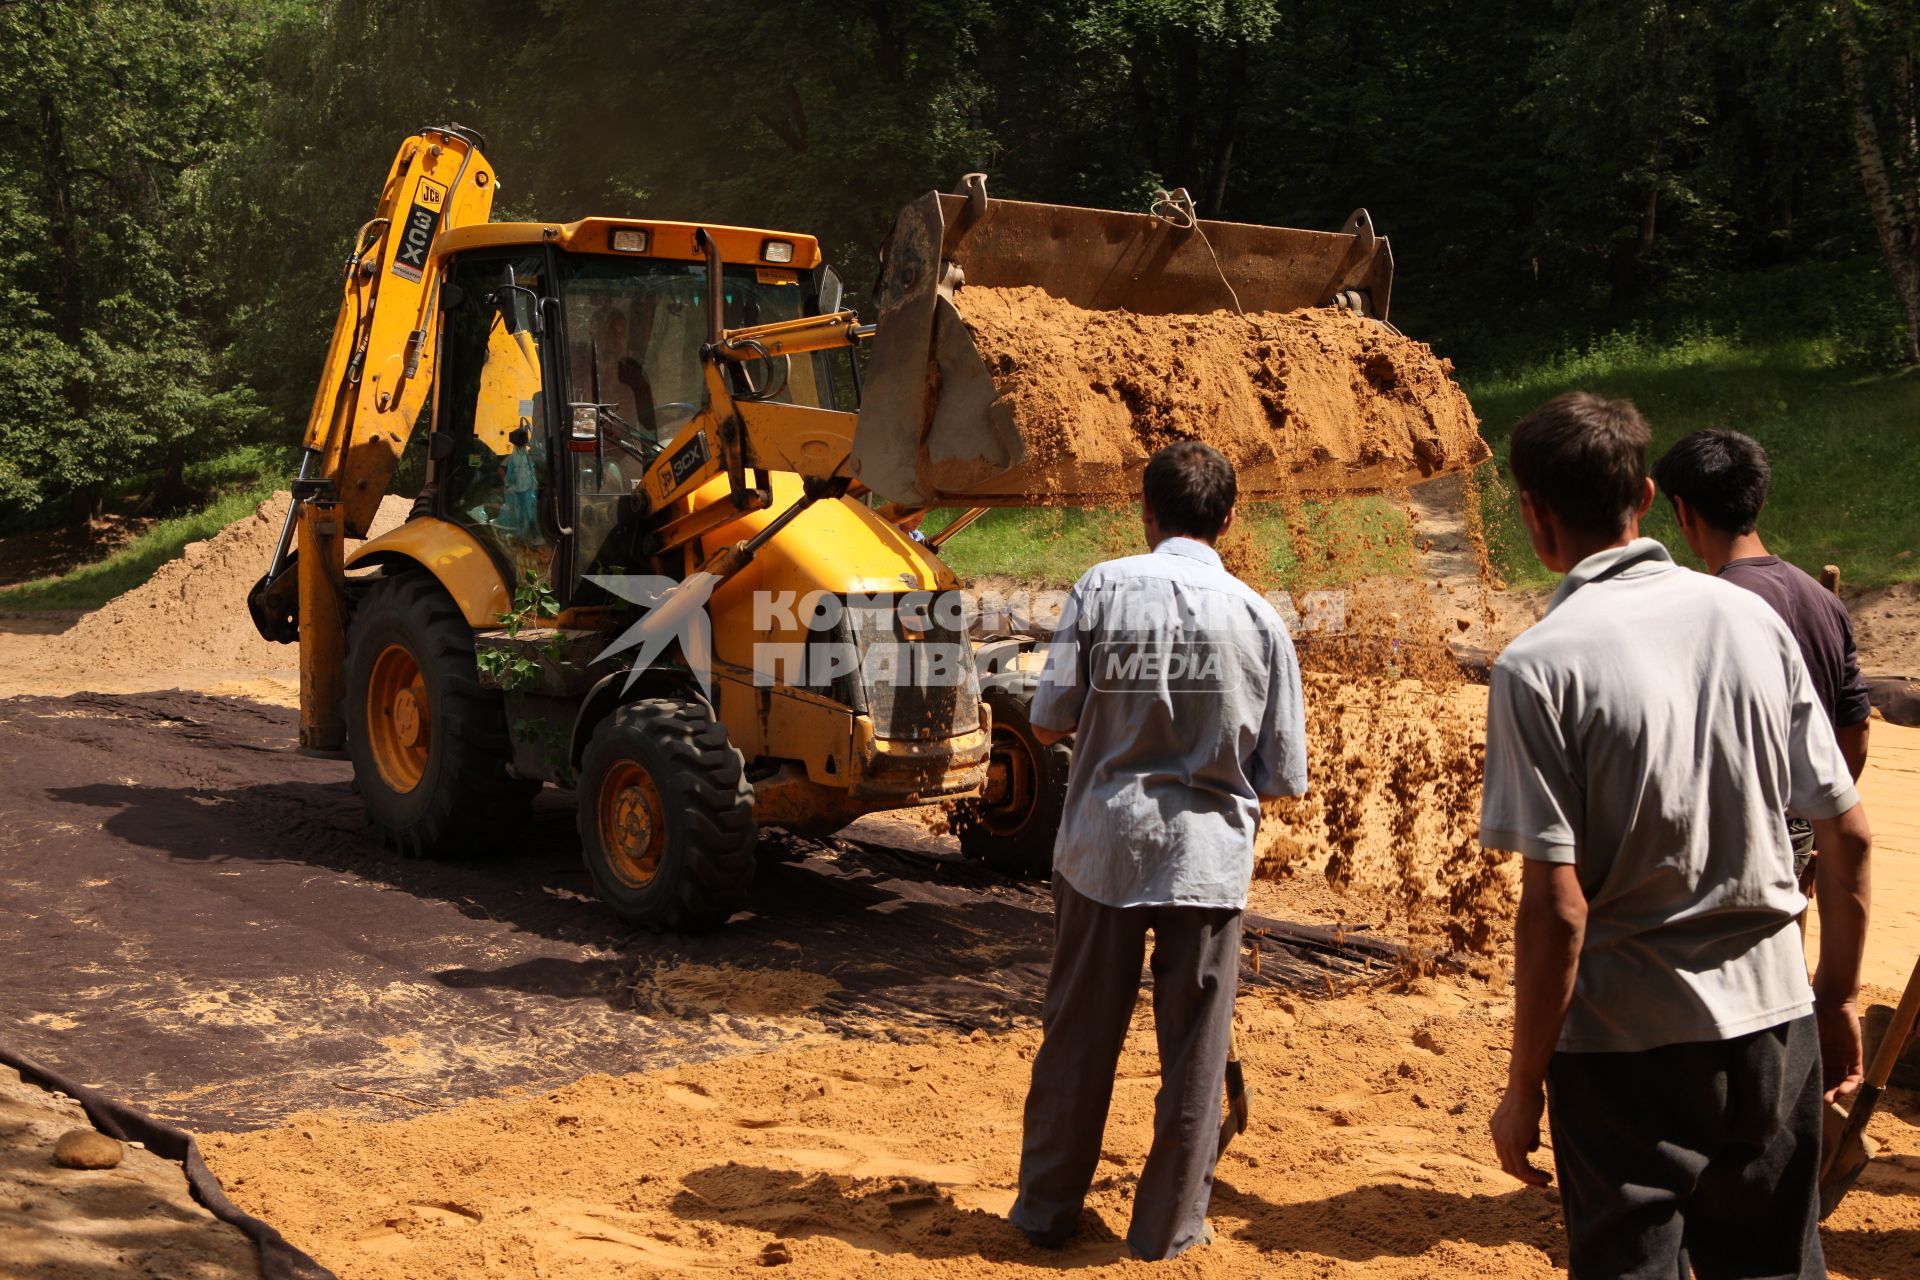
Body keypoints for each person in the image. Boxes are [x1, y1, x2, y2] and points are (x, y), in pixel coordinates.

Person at [1481, 392, 1872, 1279]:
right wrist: (1836, 996)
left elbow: (1558, 912)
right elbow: (1846, 831)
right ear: (1648, 496)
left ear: (1534, 515)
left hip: (1628, 1049)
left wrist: (1521, 1085)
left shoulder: (1538, 666)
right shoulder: (1752, 622)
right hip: (1776, 1025)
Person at [1009, 440, 1308, 1261]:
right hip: (1208, 864)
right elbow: (1280, 774)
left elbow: (1047, 718)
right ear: (1231, 518)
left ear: (1145, 511)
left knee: (1077, 1036)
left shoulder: (1102, 588)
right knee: (1194, 1056)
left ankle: (1045, 1214)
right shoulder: (1261, 618)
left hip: (1105, 849)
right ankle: (1168, 1229)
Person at [1653, 428, 1872, 902]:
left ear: (1683, 510)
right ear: (1759, 501)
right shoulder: (1823, 602)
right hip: (1799, 823)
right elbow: (1853, 731)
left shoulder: (1712, 607)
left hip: (1731, 834)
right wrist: (1821, 820)